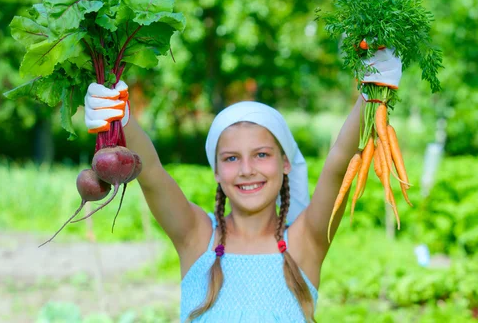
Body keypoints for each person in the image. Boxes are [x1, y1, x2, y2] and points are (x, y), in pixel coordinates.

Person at [84, 48, 402, 322]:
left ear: (285, 163)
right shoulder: (197, 238)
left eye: (261, 154)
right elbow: (151, 172)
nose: (247, 170)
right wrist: (121, 117)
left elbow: (338, 163)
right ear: (217, 172)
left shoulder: (306, 242)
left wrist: (370, 94)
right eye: (232, 158)